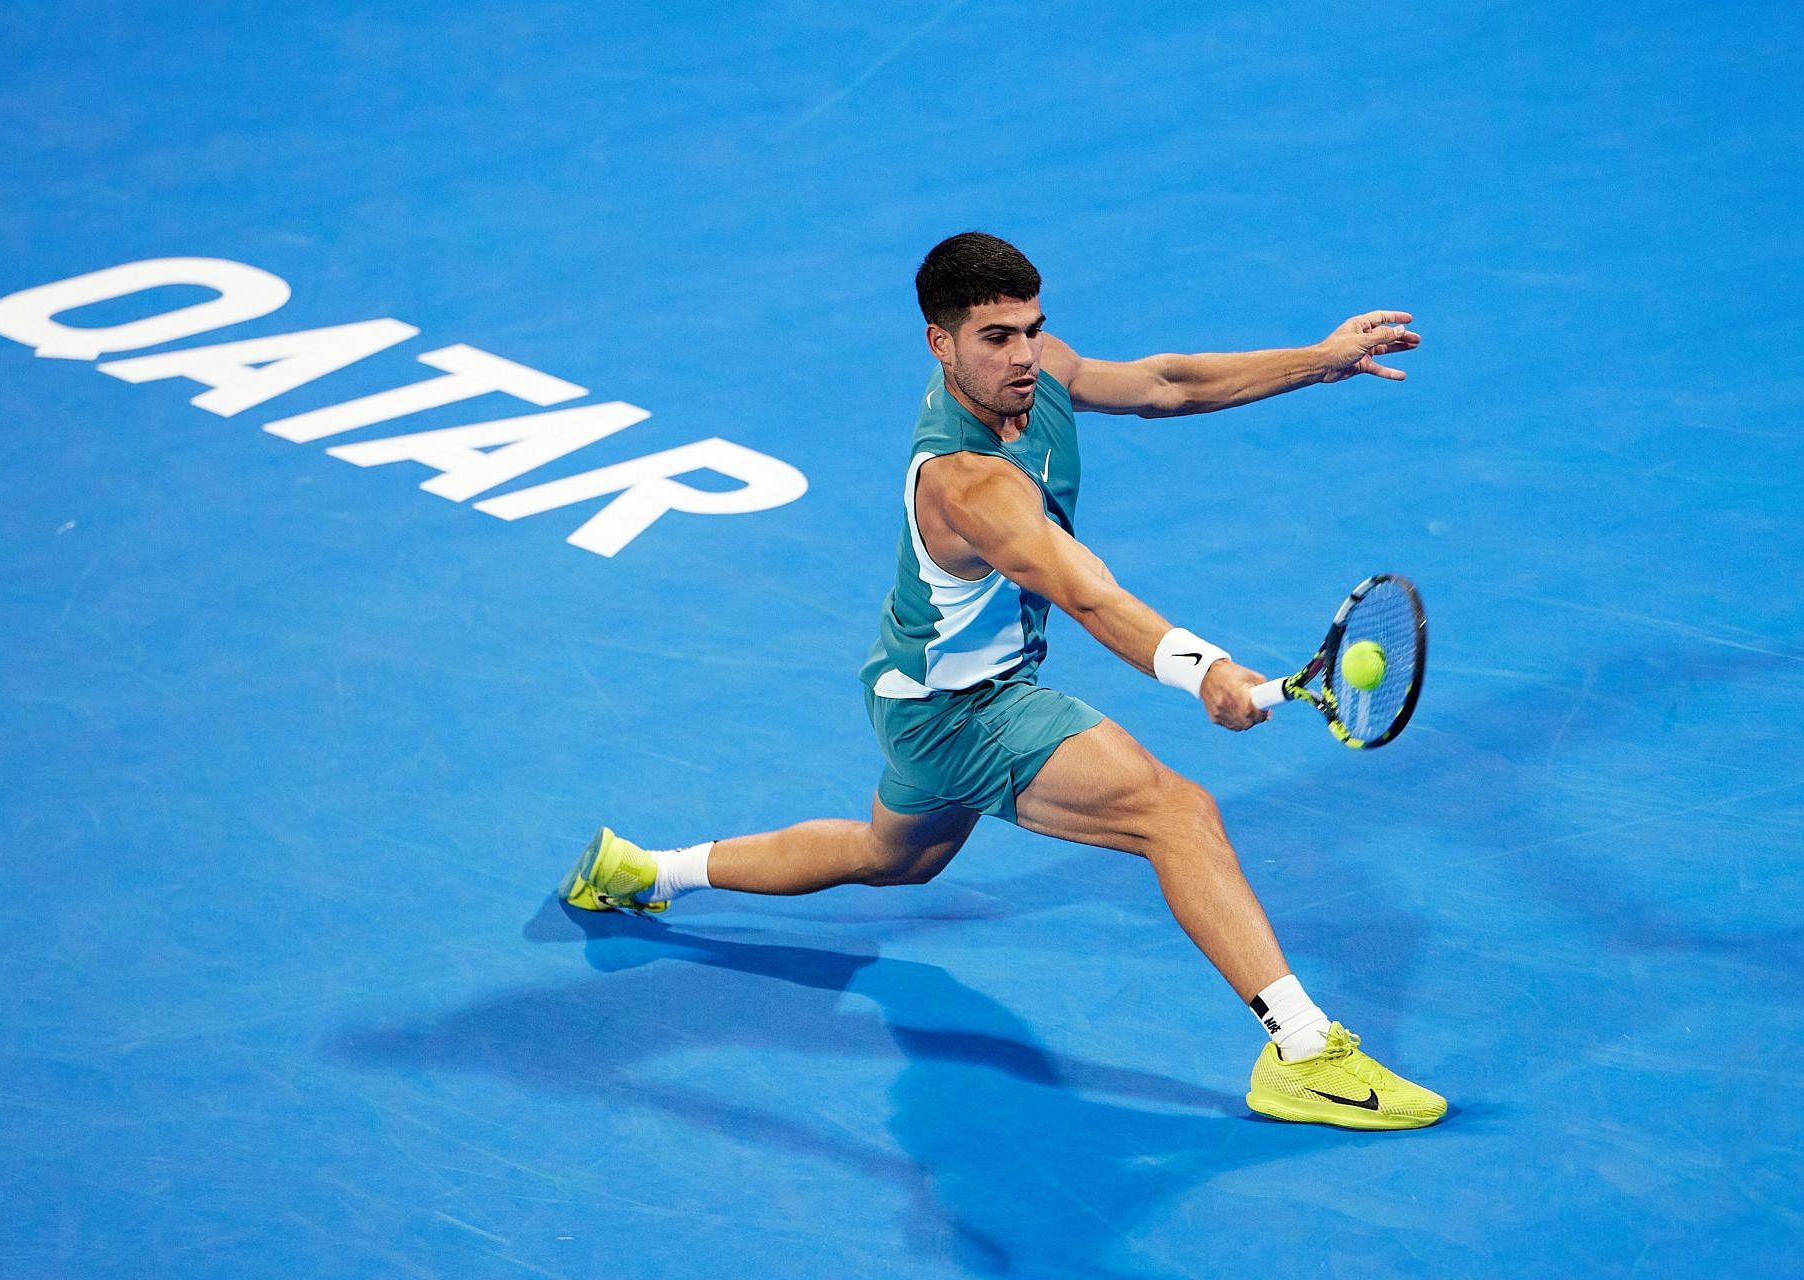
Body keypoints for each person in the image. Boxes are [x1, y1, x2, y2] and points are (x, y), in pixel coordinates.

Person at [559, 231, 1445, 1130]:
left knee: (890, 857)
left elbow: (1168, 384)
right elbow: (1086, 592)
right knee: (1174, 813)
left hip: (913, 692)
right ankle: (1301, 1051)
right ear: (940, 343)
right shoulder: (968, 484)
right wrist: (1203, 669)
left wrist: (1320, 359)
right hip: (964, 711)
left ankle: (651, 871)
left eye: (1031, 328)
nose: (1023, 355)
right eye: (995, 337)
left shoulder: (1040, 370)